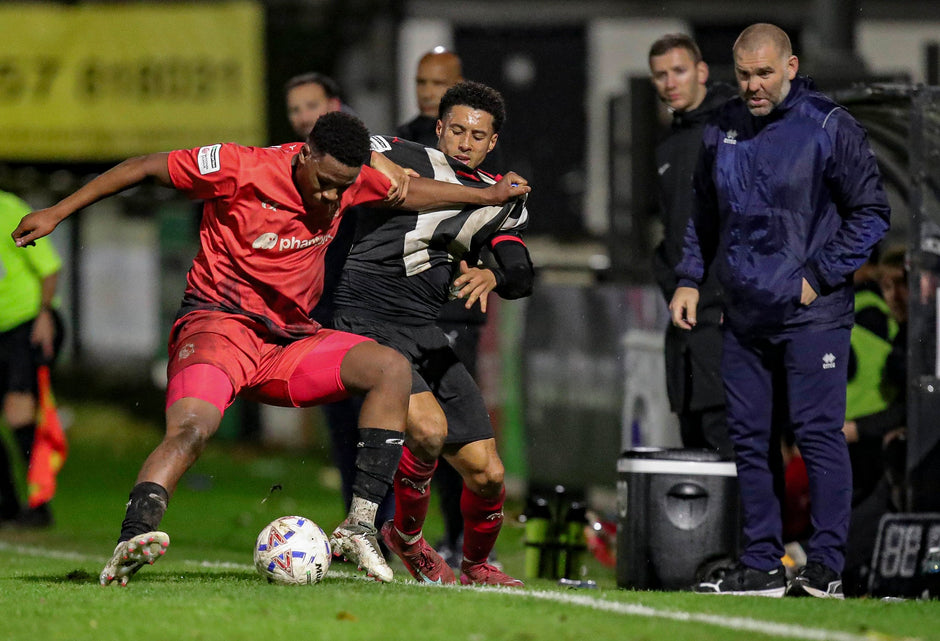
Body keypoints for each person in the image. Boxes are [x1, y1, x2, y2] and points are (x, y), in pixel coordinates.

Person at [12, 111, 529, 586]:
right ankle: (134, 535)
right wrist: (58, 212)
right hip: (219, 327)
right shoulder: (241, 166)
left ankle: (360, 526)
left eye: (342, 189)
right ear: (304, 155)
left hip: (288, 340)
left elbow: (411, 192)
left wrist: (486, 198)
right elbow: (145, 167)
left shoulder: (349, 180)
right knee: (193, 431)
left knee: (388, 367)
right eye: (325, 184)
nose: (331, 199)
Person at [671, 23, 890, 598]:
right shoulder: (723, 128)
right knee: (749, 439)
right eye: (744, 75)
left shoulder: (828, 126)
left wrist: (817, 278)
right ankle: (763, 564)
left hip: (811, 315)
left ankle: (826, 568)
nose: (753, 85)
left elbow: (872, 212)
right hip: (743, 314)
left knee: (818, 435)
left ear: (791, 66)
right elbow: (702, 214)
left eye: (764, 73)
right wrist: (691, 279)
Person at [333, 81, 534, 587]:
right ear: (440, 128)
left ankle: (478, 564)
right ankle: (406, 536)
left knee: (488, 473)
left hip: (423, 332)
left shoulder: (500, 198)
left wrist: (494, 275)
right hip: (366, 315)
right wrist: (378, 167)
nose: (466, 142)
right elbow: (352, 150)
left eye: (478, 135)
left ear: (492, 143)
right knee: (428, 430)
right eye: (458, 130)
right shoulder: (402, 154)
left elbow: (520, 268)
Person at [648, 34, 736, 458]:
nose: (670, 82)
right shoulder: (667, 146)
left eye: (678, 71)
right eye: (660, 75)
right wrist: (667, 275)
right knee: (696, 449)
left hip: (724, 319)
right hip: (685, 323)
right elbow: (672, 229)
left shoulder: (734, 132)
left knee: (732, 448)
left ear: (701, 72)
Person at [843, 245, 908, 595]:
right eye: (887, 286)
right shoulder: (900, 336)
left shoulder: (873, 320)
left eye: (902, 284)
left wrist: (857, 428)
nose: (894, 296)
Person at [0, 189, 63, 528]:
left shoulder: (8, 209)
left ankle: (39, 505)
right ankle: (6, 506)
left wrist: (44, 314)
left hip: (26, 323)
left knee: (19, 414)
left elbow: (49, 268)